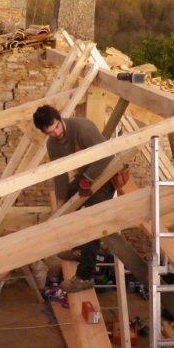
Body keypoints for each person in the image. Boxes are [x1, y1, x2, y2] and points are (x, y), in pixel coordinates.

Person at [33, 104, 115, 293]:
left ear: (60, 119)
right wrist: (61, 205)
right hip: (87, 175)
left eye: (57, 127)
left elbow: (106, 156)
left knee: (91, 223)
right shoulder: (52, 144)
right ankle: (78, 248)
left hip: (106, 174)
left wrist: (87, 179)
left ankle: (85, 276)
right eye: (50, 132)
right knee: (68, 205)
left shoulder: (82, 128)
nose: (56, 133)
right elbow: (60, 175)